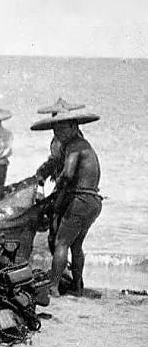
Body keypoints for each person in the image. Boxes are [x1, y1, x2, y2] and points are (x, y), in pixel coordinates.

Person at [31, 109, 101, 297]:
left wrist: (57, 192)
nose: (58, 134)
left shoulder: (74, 146)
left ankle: (53, 286)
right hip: (92, 202)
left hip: (79, 200)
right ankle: (77, 286)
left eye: (62, 129)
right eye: (55, 130)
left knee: (61, 242)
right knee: (76, 246)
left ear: (73, 127)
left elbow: (68, 173)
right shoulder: (85, 145)